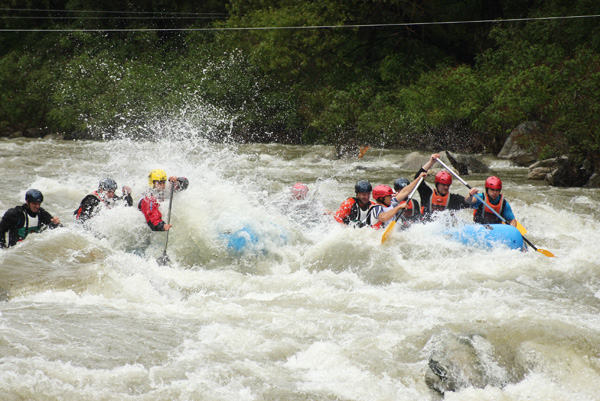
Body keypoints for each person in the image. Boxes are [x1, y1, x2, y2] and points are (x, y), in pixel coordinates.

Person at [414, 153, 478, 220]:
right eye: (443, 185)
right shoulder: (427, 194)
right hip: (426, 227)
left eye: (448, 185)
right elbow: (417, 178)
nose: (446, 187)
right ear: (437, 184)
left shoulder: (453, 199)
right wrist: (431, 162)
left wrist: (470, 195)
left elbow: (467, 202)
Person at [361, 174, 427, 229]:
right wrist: (398, 207)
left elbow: (404, 192)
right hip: (374, 235)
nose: (391, 197)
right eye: (388, 196)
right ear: (381, 198)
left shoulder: (392, 202)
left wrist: (418, 179)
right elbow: (383, 218)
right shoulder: (376, 208)